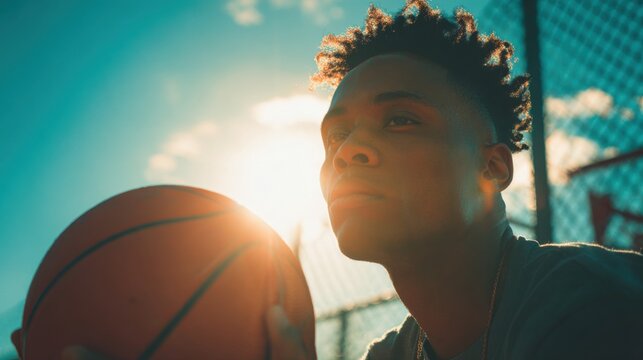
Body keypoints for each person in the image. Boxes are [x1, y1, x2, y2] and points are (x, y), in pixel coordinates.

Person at [43, 0, 643, 359]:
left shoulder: (587, 305)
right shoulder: (389, 354)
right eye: (336, 137)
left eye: (401, 120)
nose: (351, 151)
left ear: (492, 167)